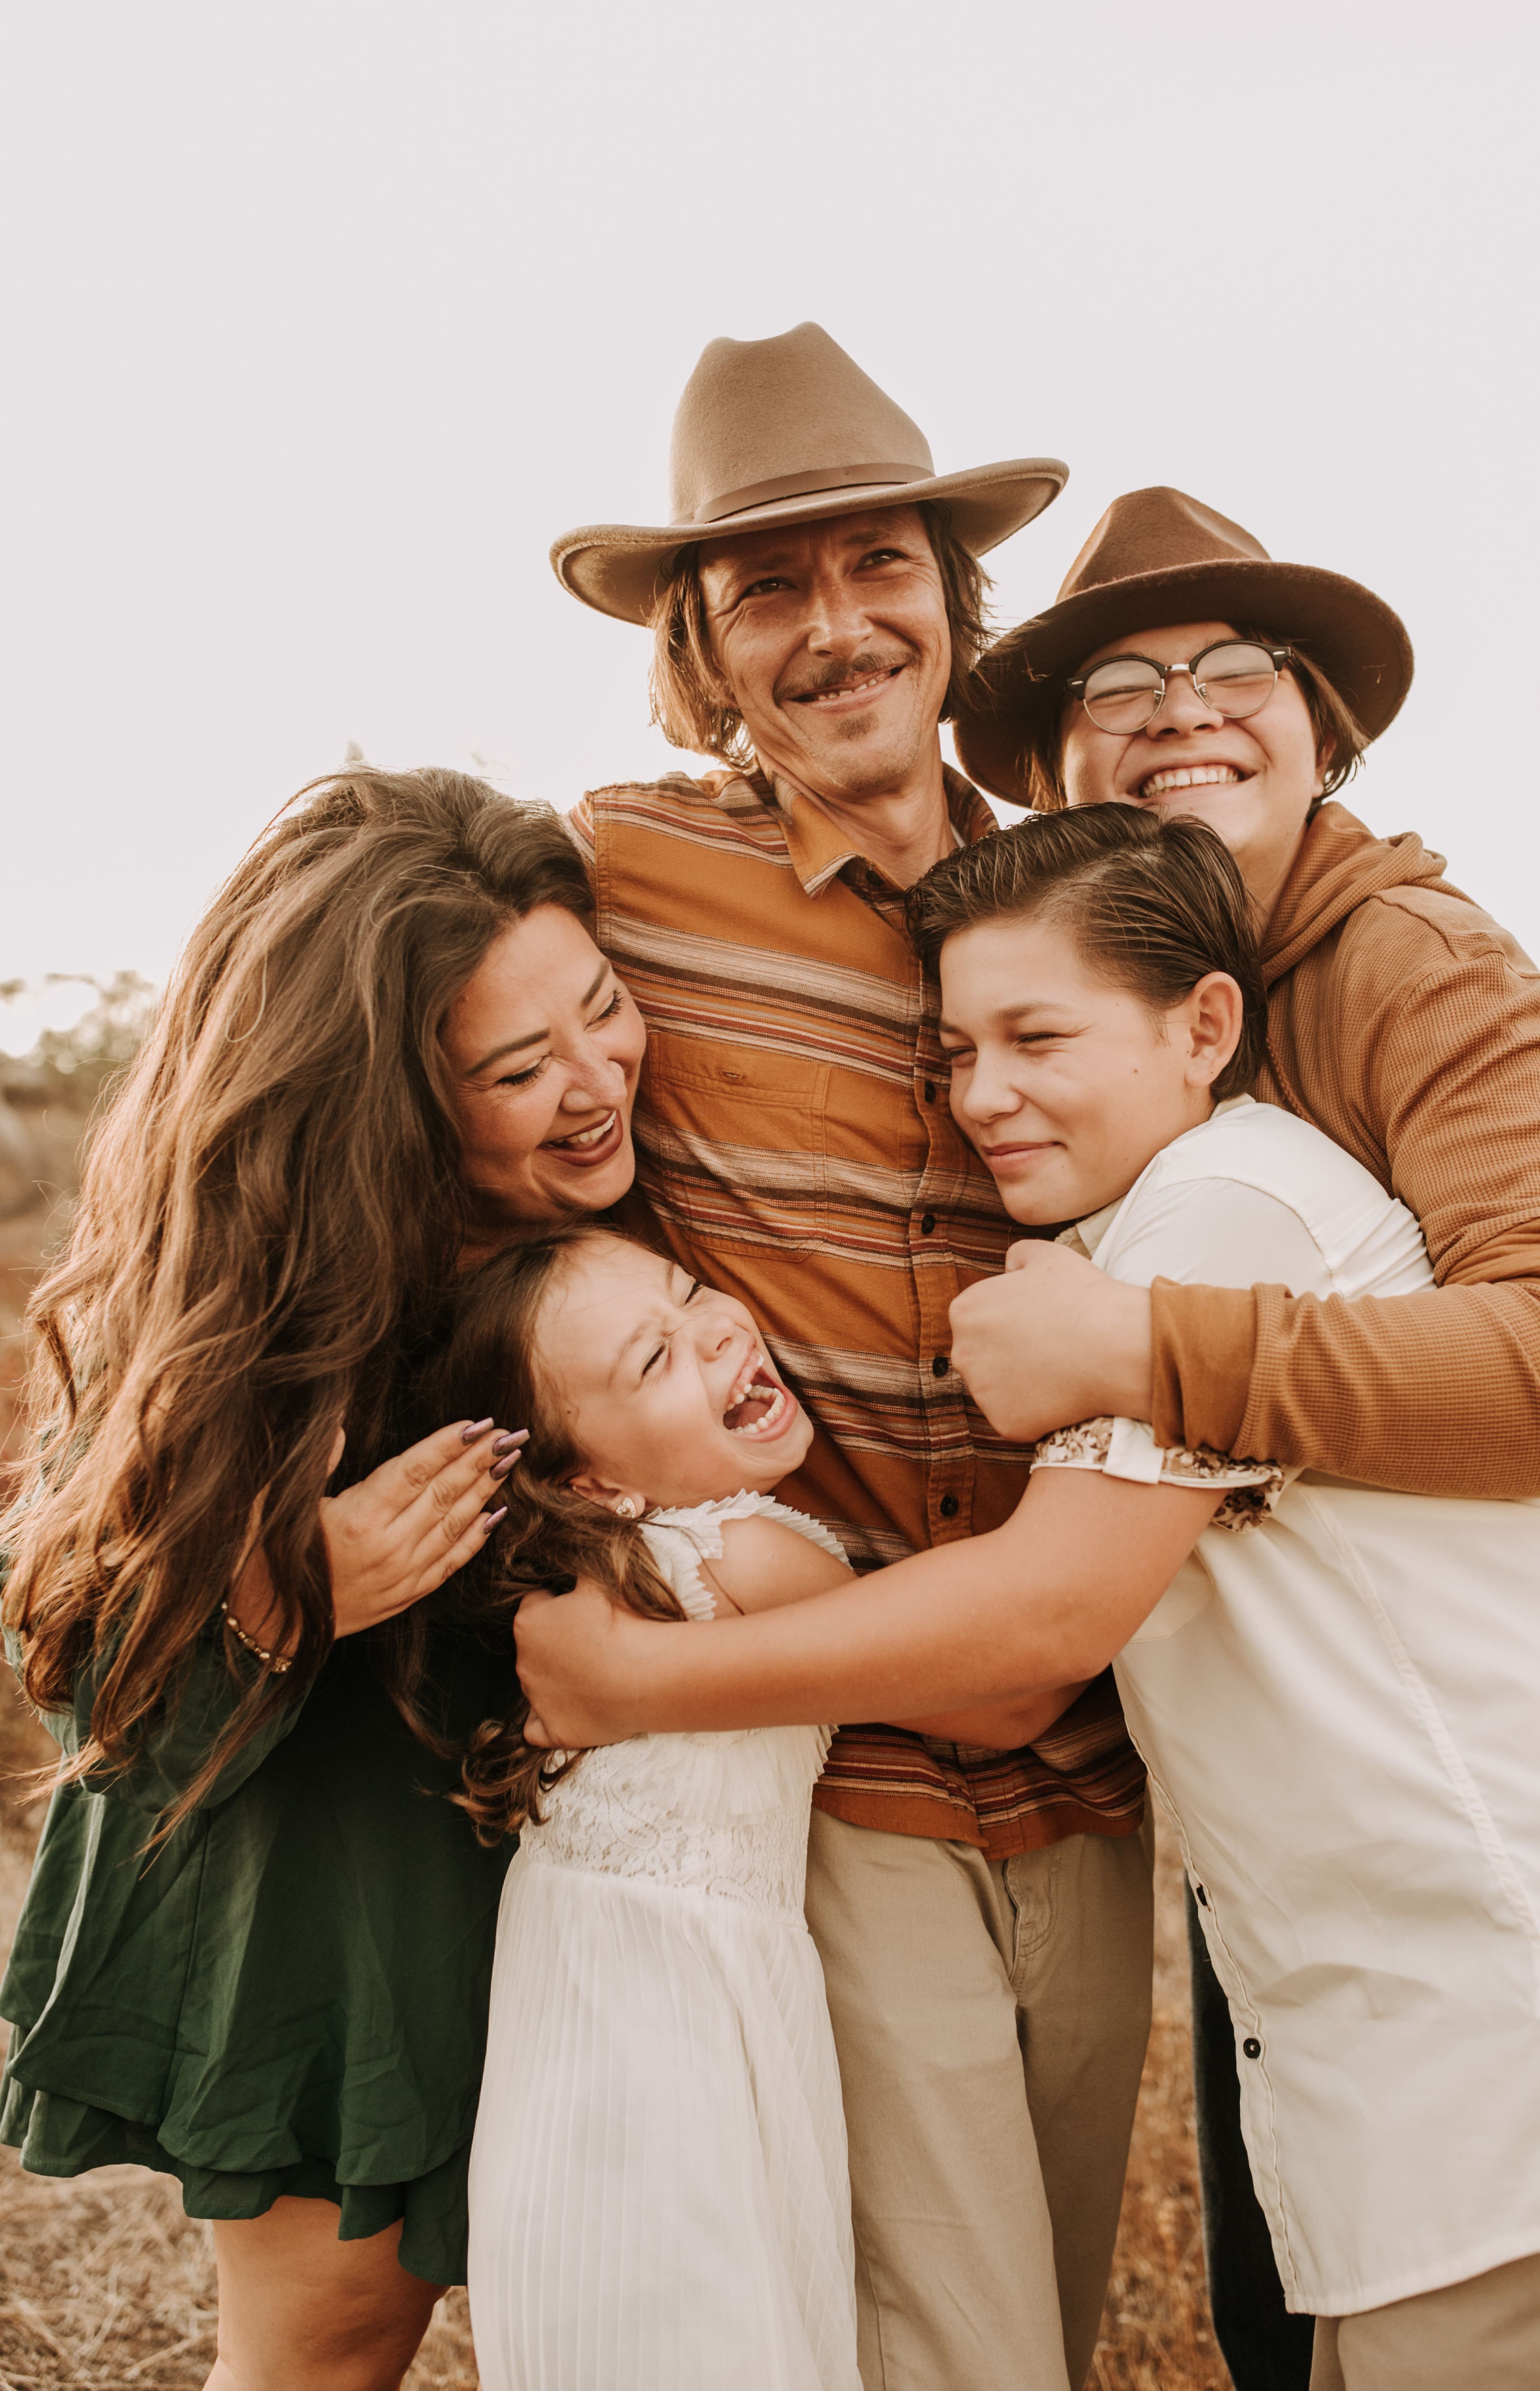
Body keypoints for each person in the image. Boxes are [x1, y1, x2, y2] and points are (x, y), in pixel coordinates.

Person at [512, 802, 1540, 2391]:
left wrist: (630, 1684)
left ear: (1203, 1024)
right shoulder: (1129, 1238)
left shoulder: (1225, 1214)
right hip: (1431, 2057)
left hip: (1504, 2035)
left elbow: (1042, 1629)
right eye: (958, 1052)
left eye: (1038, 1036)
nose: (986, 1096)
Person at [937, 485, 1540, 2387]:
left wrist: (1148, 1346)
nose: (1182, 708)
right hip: (1318, 1815)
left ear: (1329, 733)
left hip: (1480, 1834)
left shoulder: (1408, 964)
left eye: (1239, 670)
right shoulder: (1125, 1018)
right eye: (1118, 690)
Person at [550, 320, 1144, 2390]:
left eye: (878, 565)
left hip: (1106, 1769)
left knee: (1047, 2322)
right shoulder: (624, 878)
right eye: (766, 591)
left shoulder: (1089, 897)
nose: (836, 628)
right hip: (846, 1756)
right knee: (958, 2354)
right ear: (702, 657)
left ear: (952, 598)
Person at [0, 766, 647, 2391]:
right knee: (329, 2355)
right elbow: (80, 1656)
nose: (596, 1081)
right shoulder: (255, 1288)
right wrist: (287, 1596)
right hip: (330, 1891)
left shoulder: (609, 1228)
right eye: (518, 1067)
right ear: (390, 1102)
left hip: (591, 1877)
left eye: (604, 1008)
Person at [415, 1229, 1075, 2391]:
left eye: (687, 1293)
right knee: (721, 2295)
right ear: (594, 1484)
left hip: (575, 1999)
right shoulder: (747, 1556)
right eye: (654, 1359)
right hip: (684, 2008)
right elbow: (988, 1686)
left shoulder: (610, 1574)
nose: (715, 1329)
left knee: (620, 2310)